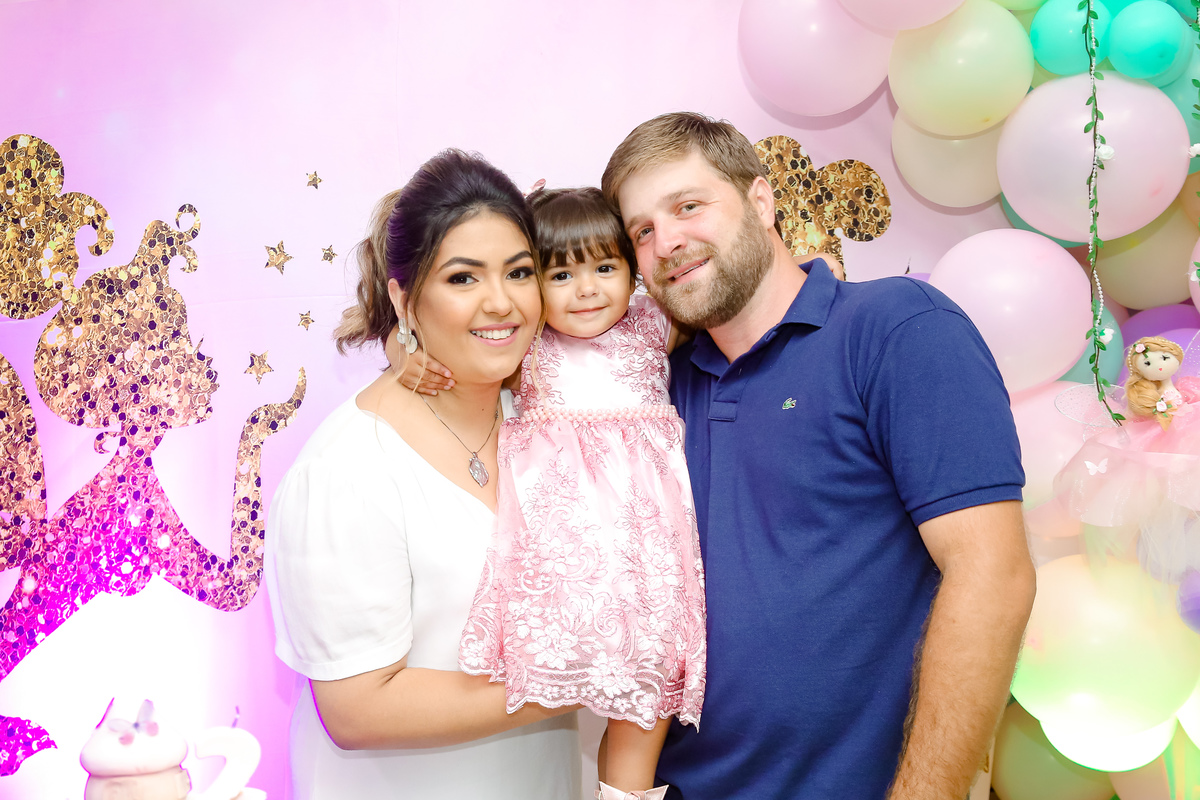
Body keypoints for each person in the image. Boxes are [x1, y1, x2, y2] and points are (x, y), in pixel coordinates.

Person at [600, 112, 1036, 800]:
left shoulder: (896, 327)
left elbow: (993, 577)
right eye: (642, 232)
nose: (667, 243)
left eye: (687, 207)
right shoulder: (654, 389)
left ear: (761, 201)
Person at [263, 150, 581, 799]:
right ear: (404, 299)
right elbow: (358, 709)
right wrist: (581, 680)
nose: (501, 302)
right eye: (463, 278)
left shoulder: (550, 419)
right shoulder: (347, 469)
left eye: (520, 272)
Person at [403, 187, 707, 800]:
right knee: (555, 687)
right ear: (533, 285)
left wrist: (816, 264)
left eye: (605, 268)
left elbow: (728, 298)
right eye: (561, 274)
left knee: (645, 700)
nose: (587, 290)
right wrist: (402, 355)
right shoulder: (527, 345)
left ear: (632, 270)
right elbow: (425, 333)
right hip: (564, 558)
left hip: (647, 558)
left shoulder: (656, 324)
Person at [1054, 334, 1200, 578]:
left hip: (1187, 434)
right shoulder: (1145, 398)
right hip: (1159, 441)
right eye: (1149, 363)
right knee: (1161, 487)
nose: (1159, 366)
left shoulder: (1187, 387)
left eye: (1165, 358)